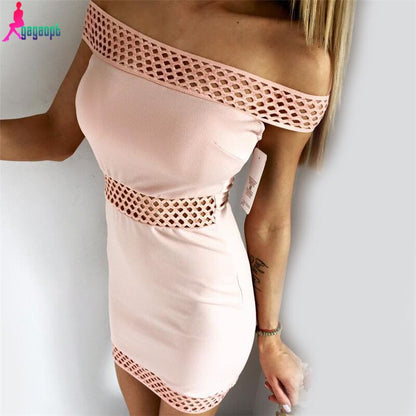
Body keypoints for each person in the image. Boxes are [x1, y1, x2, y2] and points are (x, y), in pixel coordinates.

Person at [0, 0, 356, 415]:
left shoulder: (296, 58)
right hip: (128, 295)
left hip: (203, 312)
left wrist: (270, 338)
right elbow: (55, 134)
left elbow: (269, 219)